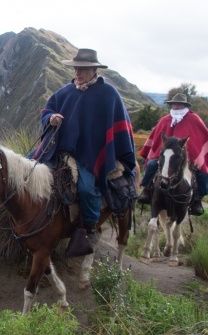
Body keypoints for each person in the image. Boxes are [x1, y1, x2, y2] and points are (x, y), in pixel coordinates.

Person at [31, 48, 137, 244]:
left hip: (88, 156)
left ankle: (87, 230)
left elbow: (120, 125)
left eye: (82, 69)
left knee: (87, 190)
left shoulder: (108, 94)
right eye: (76, 69)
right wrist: (51, 118)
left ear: (94, 70)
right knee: (27, 168)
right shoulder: (66, 91)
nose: (77, 73)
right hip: (58, 149)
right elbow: (47, 109)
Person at [137, 93, 208, 216]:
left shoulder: (194, 119)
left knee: (202, 175)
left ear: (184, 105)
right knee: (152, 165)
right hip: (166, 157)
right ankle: (146, 191)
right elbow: (157, 138)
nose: (176, 106)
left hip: (187, 158)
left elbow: (202, 136)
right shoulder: (165, 119)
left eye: (179, 104)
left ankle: (197, 200)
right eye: (174, 104)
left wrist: (195, 157)